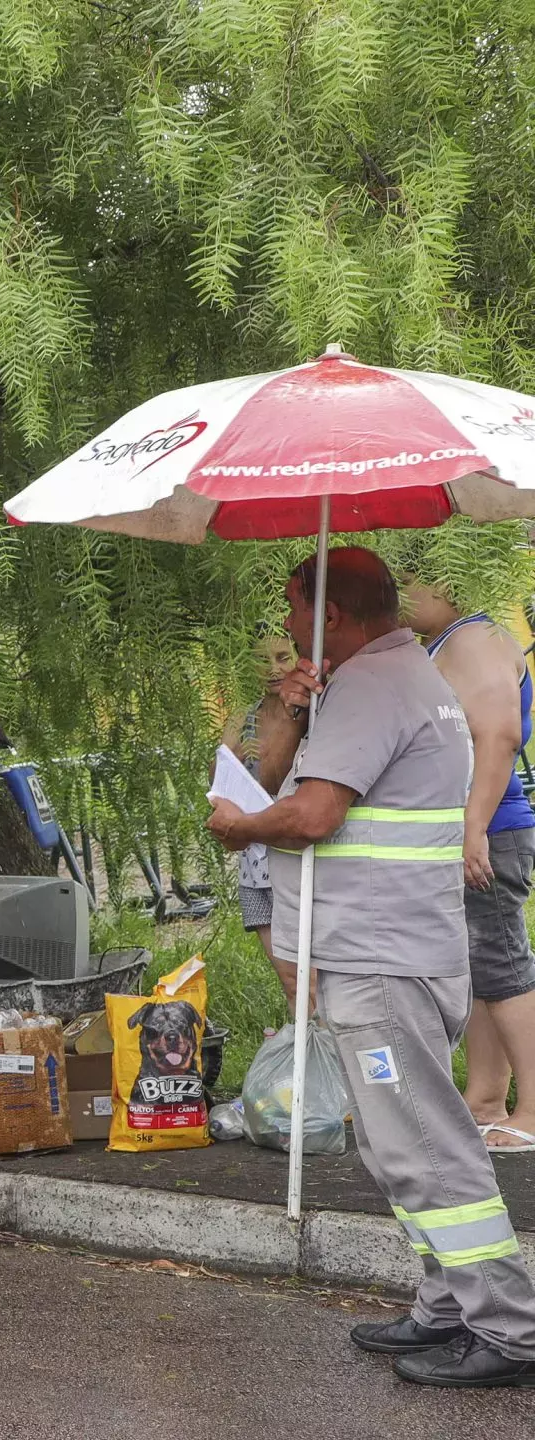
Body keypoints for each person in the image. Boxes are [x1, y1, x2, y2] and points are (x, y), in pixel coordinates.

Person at [209, 547, 535, 1388]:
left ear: (334, 616)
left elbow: (313, 813)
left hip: (381, 960)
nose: (284, 626)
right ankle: (447, 1306)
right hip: (397, 949)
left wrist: (241, 829)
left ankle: (507, 1326)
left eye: (292, 610)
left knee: (425, 1147)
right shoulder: (403, 674)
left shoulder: (374, 686)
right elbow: (300, 780)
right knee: (407, 1148)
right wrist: (291, 717)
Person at [404, 576, 535, 1157]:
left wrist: (473, 827)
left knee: (504, 965)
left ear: (445, 579)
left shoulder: (473, 638)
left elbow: (499, 734)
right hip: (472, 833)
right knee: (482, 966)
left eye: (406, 583)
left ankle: (532, 1108)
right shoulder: (449, 639)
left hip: (487, 833)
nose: (400, 601)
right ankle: (485, 1098)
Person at [223, 632, 303, 998]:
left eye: (283, 657)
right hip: (254, 865)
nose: (273, 669)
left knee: (312, 980)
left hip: (296, 861)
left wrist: (292, 716)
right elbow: (219, 779)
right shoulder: (246, 714)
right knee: (289, 980)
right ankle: (304, 1051)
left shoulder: (312, 713)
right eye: (261, 660)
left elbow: (280, 777)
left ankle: (329, 1052)